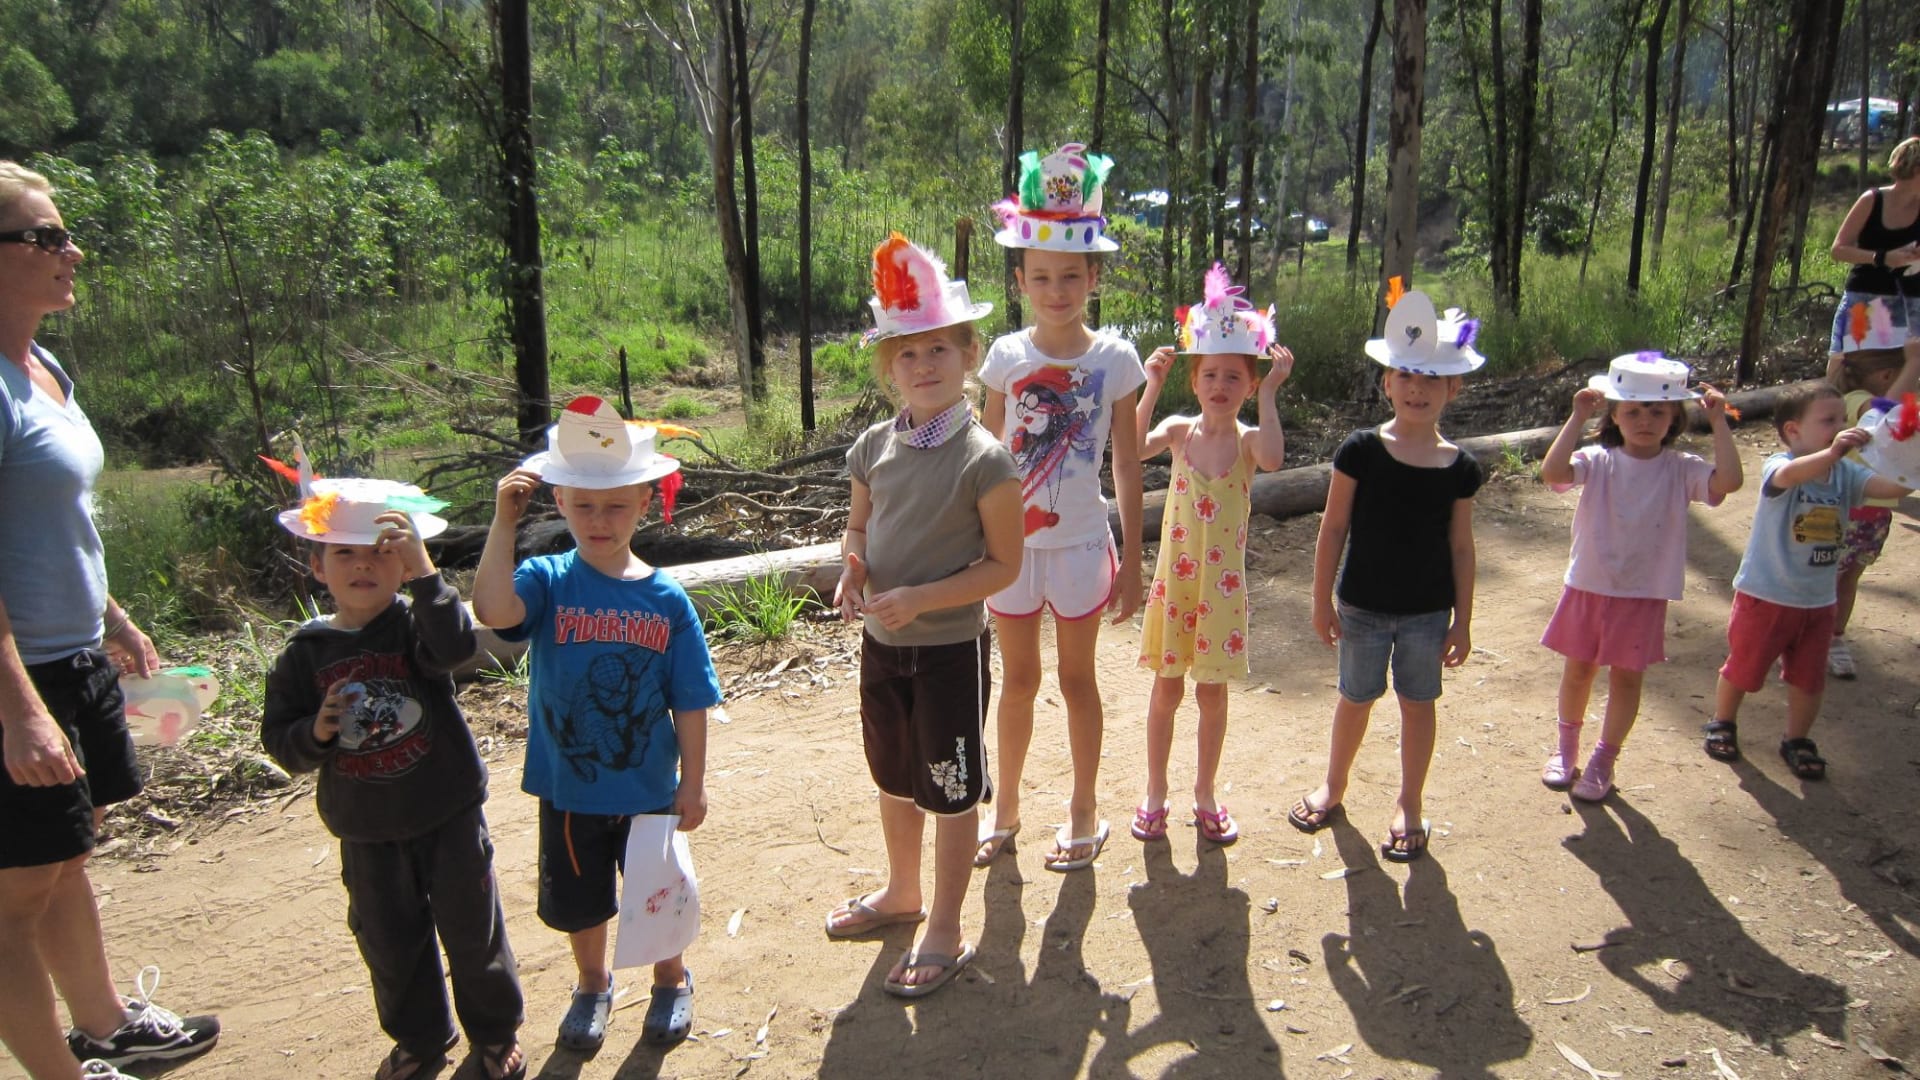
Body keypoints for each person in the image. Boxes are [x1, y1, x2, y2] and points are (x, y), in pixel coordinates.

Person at [0, 160, 220, 1080]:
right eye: (46, 237)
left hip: (70, 654)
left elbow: (58, 521)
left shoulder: (41, 366)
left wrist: (112, 615)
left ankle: (105, 1026)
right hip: (20, 676)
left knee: (64, 861)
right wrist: (18, 709)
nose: (72, 251)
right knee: (13, 897)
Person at [260, 476, 525, 1080]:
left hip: (447, 814)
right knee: (390, 945)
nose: (363, 565)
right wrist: (315, 732)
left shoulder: (415, 626)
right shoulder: (304, 654)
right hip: (366, 831)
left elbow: (455, 648)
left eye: (381, 552)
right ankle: (420, 1039)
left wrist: (426, 574)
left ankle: (494, 1033)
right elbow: (282, 742)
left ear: (402, 564)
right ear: (317, 567)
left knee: (473, 933)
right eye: (344, 553)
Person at [473, 396, 719, 1049]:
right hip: (570, 788)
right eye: (583, 505)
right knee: (581, 903)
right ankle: (592, 983)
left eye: (615, 506)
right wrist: (503, 522)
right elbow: (493, 610)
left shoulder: (666, 599)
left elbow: (690, 699)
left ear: (644, 503)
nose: (599, 520)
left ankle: (670, 978)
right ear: (559, 502)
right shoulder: (547, 580)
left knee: (657, 893)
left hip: (649, 791)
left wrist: (693, 783)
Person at [824, 234, 1021, 997]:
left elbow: (1004, 566)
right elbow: (858, 528)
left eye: (940, 347)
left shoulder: (985, 459)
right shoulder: (873, 446)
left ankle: (945, 924)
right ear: (888, 367)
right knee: (896, 777)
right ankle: (902, 891)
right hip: (882, 647)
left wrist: (920, 600)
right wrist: (854, 567)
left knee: (951, 785)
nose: (924, 364)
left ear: (969, 354)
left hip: (948, 653)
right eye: (907, 353)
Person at [975, 143, 1145, 872]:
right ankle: (1006, 807)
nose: (1056, 290)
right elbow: (984, 458)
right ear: (1020, 280)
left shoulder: (1116, 361)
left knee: (1078, 681)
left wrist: (1133, 558)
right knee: (1017, 682)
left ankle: (1083, 809)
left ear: (1093, 277)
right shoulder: (1004, 357)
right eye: (1041, 276)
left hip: (1080, 545)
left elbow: (1126, 462)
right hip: (1011, 551)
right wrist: (971, 545)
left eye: (1071, 275)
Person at [1291, 283, 1483, 862]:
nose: (1417, 388)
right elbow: (1333, 529)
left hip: (1428, 613)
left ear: (1453, 388)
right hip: (1363, 607)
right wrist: (1320, 600)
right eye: (1406, 375)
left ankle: (1409, 803)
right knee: (1355, 698)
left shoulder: (1460, 468)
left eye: (1431, 379)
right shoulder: (1360, 450)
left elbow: (1462, 548)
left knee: (1418, 703)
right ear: (1387, 383)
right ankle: (1334, 786)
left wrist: (1463, 622)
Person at [1130, 265, 1290, 846]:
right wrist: (1150, 385)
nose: (1221, 385)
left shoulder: (1247, 442)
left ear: (1249, 384)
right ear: (1194, 380)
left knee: (1211, 695)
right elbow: (1130, 447)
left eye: (1234, 377)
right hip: (1175, 590)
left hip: (1220, 597)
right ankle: (1155, 791)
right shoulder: (1179, 432)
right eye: (1210, 374)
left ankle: (1204, 793)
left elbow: (1274, 458)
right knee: (1166, 691)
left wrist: (1271, 395)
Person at [1536, 354, 1742, 802]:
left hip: (1643, 594)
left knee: (1627, 679)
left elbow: (1728, 482)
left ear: (1674, 418)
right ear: (1613, 415)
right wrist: (1577, 416)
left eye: (1656, 411)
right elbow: (1552, 472)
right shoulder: (1598, 460)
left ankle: (1603, 760)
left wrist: (1718, 422)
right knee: (1578, 671)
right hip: (1588, 584)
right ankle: (1566, 750)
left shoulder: (1682, 467)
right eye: (1632, 410)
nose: (1644, 420)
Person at [1702, 383, 1911, 780]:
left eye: (1843, 420)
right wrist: (1832, 453)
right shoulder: (1779, 464)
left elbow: (1891, 488)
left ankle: (1797, 739)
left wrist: (1909, 458)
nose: (1841, 428)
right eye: (1829, 420)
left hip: (1819, 602)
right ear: (1793, 430)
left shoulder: (1846, 473)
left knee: (1809, 680)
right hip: (1766, 596)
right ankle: (1722, 721)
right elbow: (1787, 476)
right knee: (1744, 667)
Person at [1826, 299, 1909, 680]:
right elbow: (1885, 414)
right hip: (1842, 511)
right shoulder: (1854, 401)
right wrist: (1915, 363)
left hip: (1875, 512)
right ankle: (1801, 639)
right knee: (1823, 578)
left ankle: (1834, 637)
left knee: (1848, 579)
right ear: (1887, 374)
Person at [1824, 136, 1920, 395]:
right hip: (1865, 301)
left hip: (1911, 303)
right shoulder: (1872, 200)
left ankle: (1892, 421)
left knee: (1904, 378)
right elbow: (1838, 250)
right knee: (1845, 373)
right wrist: (1882, 258)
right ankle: (1836, 419)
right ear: (1915, 170)